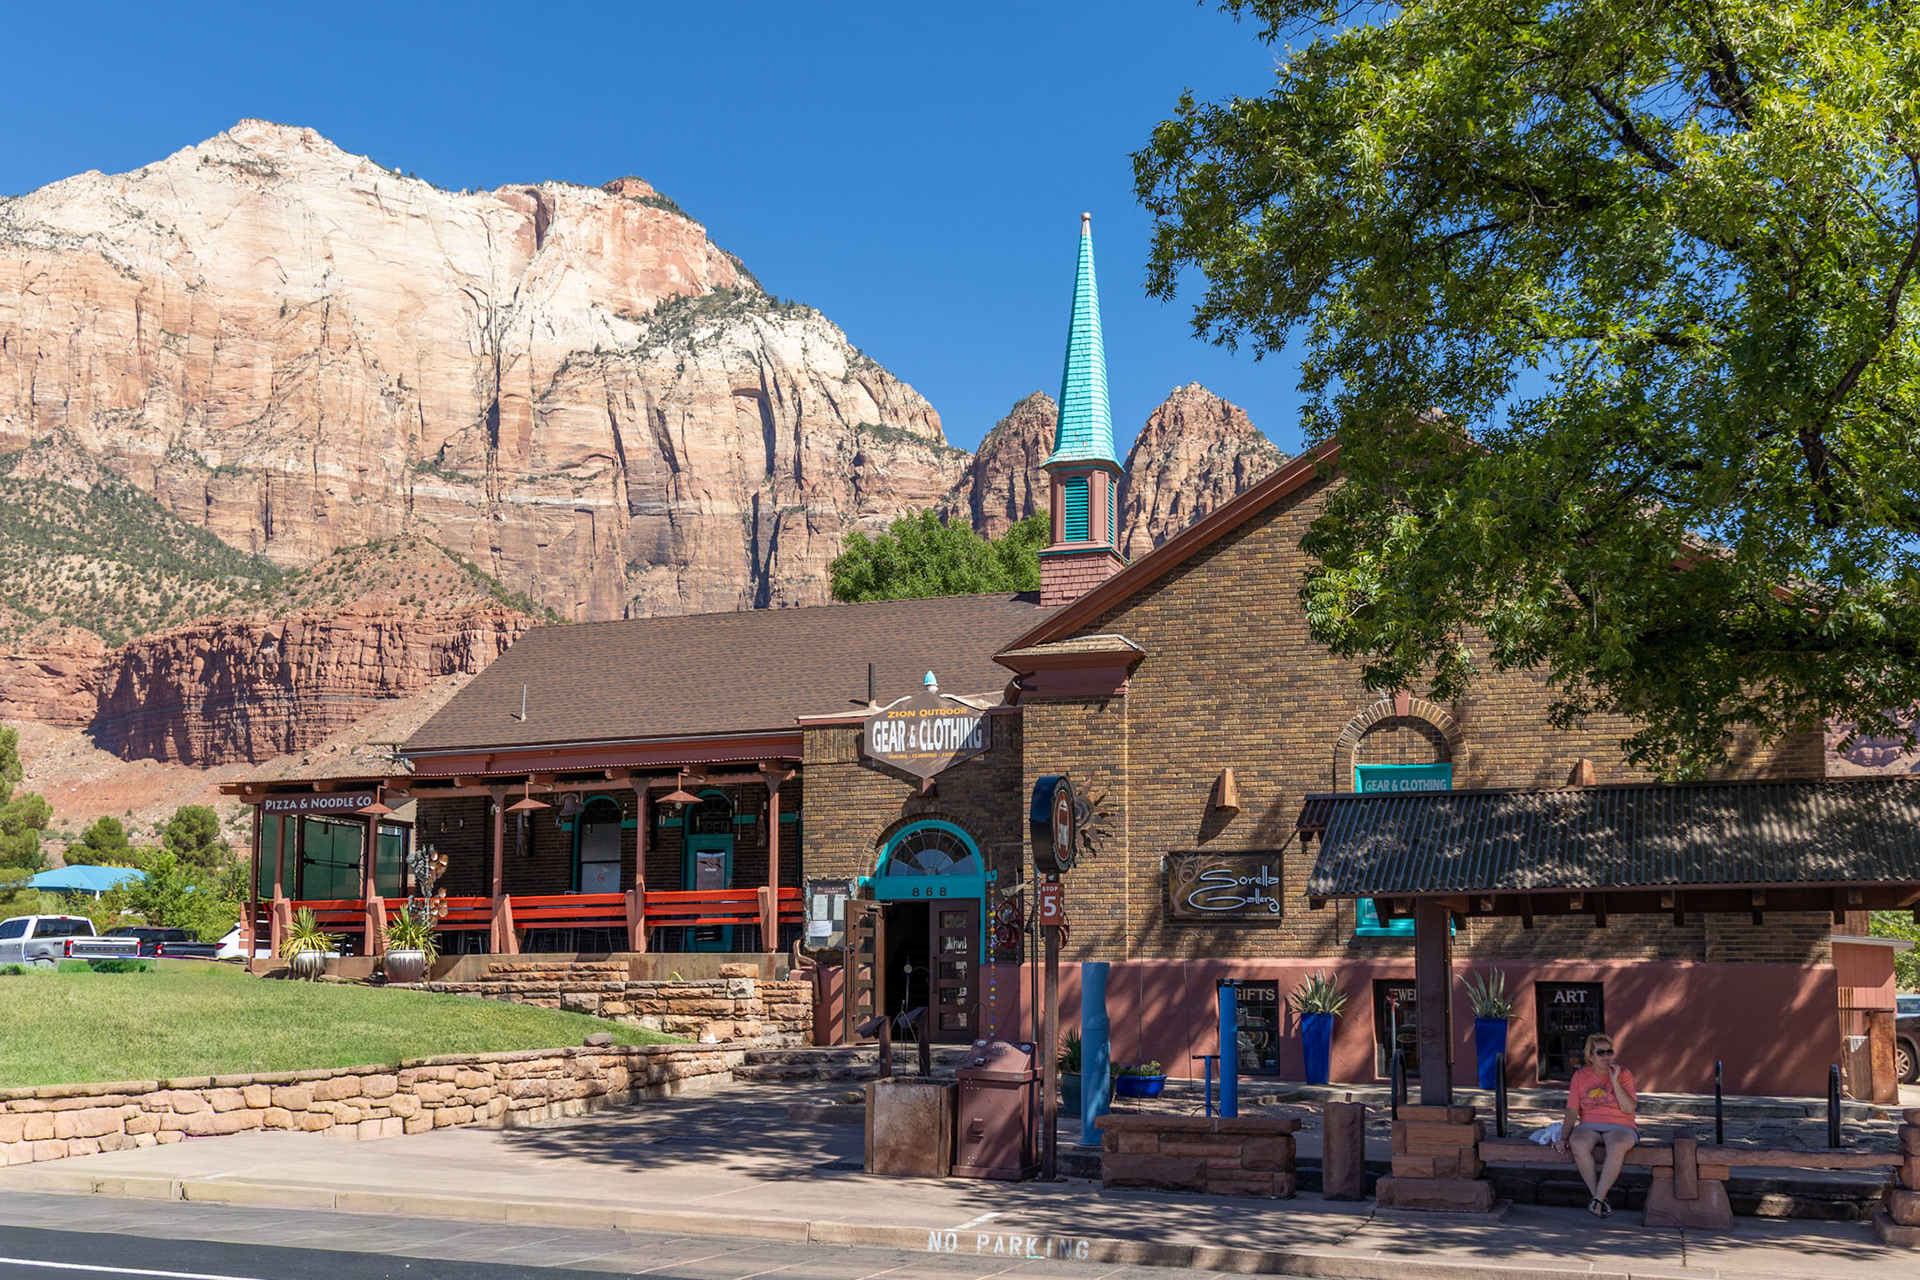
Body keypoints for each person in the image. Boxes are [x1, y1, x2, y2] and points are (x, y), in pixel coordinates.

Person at [1553, 1032, 1638, 1217]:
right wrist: (1563, 1138)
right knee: (1578, 1144)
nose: (1606, 1057)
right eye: (1601, 1052)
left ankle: (1597, 1200)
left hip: (1620, 1124)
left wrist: (1615, 1081)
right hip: (1589, 1124)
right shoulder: (1580, 1076)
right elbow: (1572, 1110)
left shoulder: (1623, 1074)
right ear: (1590, 1056)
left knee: (1617, 1146)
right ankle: (1598, 1198)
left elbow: (1629, 1108)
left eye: (1610, 1052)